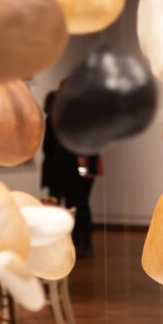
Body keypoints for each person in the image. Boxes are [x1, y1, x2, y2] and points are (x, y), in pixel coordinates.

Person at [41, 87, 99, 257]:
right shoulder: (65, 120)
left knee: (76, 204)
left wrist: (84, 169)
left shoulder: (68, 120)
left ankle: (79, 240)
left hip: (71, 168)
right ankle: (77, 240)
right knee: (76, 204)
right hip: (69, 168)